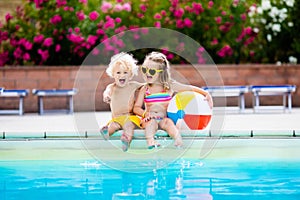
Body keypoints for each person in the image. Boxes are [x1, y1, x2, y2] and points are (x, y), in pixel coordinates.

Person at [133, 52, 213, 149]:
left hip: (164, 119)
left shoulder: (169, 86)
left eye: (152, 71)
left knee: (169, 124)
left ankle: (178, 139)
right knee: (150, 124)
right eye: (144, 69)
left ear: (161, 73)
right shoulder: (145, 89)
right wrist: (145, 114)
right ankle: (151, 142)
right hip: (149, 119)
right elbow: (136, 108)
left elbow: (187, 88)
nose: (147, 73)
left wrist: (205, 93)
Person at [100, 52, 143, 152]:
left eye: (125, 72)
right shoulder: (111, 87)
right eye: (118, 73)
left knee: (128, 126)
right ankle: (106, 133)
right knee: (113, 126)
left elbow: (146, 86)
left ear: (131, 74)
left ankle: (126, 139)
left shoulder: (133, 85)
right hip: (117, 119)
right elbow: (106, 93)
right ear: (113, 74)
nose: (121, 75)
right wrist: (106, 97)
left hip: (129, 117)